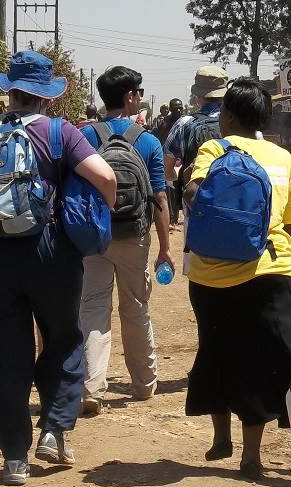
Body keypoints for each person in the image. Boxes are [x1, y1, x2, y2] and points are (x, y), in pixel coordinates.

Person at [0, 51, 117, 486]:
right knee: (63, 338)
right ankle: (54, 429)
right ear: (47, 96)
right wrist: (99, 215)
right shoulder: (60, 133)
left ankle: (14, 459)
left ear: (9, 90)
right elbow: (105, 178)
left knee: (3, 353)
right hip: (50, 251)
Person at [183, 77, 291, 481]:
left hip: (210, 274)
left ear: (228, 115)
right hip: (270, 271)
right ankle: (251, 456)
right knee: (261, 361)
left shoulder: (213, 149)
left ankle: (221, 437)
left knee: (215, 350)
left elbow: (193, 194)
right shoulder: (283, 158)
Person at [78, 66, 174, 413]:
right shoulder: (148, 142)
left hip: (94, 235)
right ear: (130, 96)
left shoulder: (86, 137)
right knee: (135, 306)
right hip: (134, 235)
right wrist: (165, 248)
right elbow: (159, 198)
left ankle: (91, 386)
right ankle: (144, 383)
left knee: (93, 307)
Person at [164, 66, 228, 228]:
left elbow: (167, 170)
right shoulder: (237, 122)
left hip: (196, 206)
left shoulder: (184, 124)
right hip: (234, 205)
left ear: (197, 95)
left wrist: (177, 175)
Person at [153, 98, 185, 228]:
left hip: (180, 160)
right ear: (170, 109)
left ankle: (175, 217)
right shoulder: (162, 122)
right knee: (168, 188)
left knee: (178, 188)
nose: (179, 110)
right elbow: (154, 136)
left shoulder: (185, 122)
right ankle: (170, 218)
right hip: (165, 158)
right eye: (176, 108)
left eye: (180, 107)